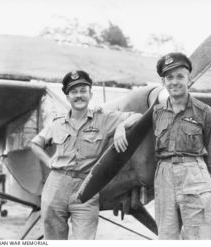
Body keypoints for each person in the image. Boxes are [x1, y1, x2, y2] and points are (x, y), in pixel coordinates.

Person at [31, 70, 141, 240]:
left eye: (83, 91)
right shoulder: (57, 122)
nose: (79, 95)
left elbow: (137, 116)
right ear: (67, 97)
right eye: (73, 92)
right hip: (55, 186)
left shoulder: (104, 119)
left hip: (86, 188)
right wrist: (48, 161)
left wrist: (121, 127)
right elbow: (35, 144)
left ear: (90, 94)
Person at [152, 52, 211, 239]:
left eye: (180, 76)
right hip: (164, 176)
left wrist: (210, 178)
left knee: (200, 237)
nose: (174, 82)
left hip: (194, 175)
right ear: (163, 82)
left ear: (189, 80)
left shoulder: (204, 111)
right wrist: (120, 128)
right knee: (166, 237)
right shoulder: (157, 113)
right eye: (169, 77)